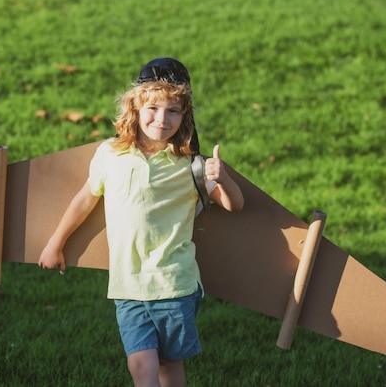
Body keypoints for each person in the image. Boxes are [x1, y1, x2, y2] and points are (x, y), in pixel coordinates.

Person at [38, 57, 244, 387]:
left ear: (184, 116)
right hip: (127, 284)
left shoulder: (191, 165)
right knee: (140, 367)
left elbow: (234, 205)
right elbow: (85, 199)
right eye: (153, 108)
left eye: (173, 111)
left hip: (174, 284)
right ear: (135, 107)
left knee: (167, 367)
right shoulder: (110, 153)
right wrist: (55, 243)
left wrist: (225, 180)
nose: (161, 119)